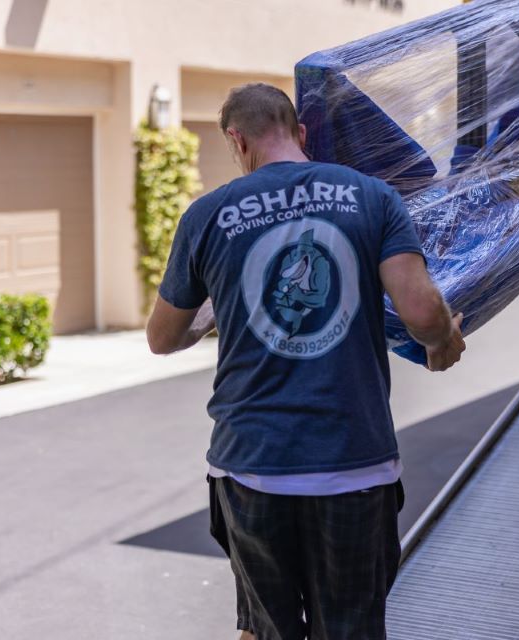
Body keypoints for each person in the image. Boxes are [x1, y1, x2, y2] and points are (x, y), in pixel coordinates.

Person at [146, 83, 465, 640]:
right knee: (351, 629)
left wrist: (216, 310)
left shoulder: (207, 216)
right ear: (300, 132)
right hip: (353, 464)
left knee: (268, 631)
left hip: (251, 465)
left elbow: (162, 338)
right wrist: (441, 342)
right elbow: (418, 308)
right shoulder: (373, 197)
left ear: (236, 140)